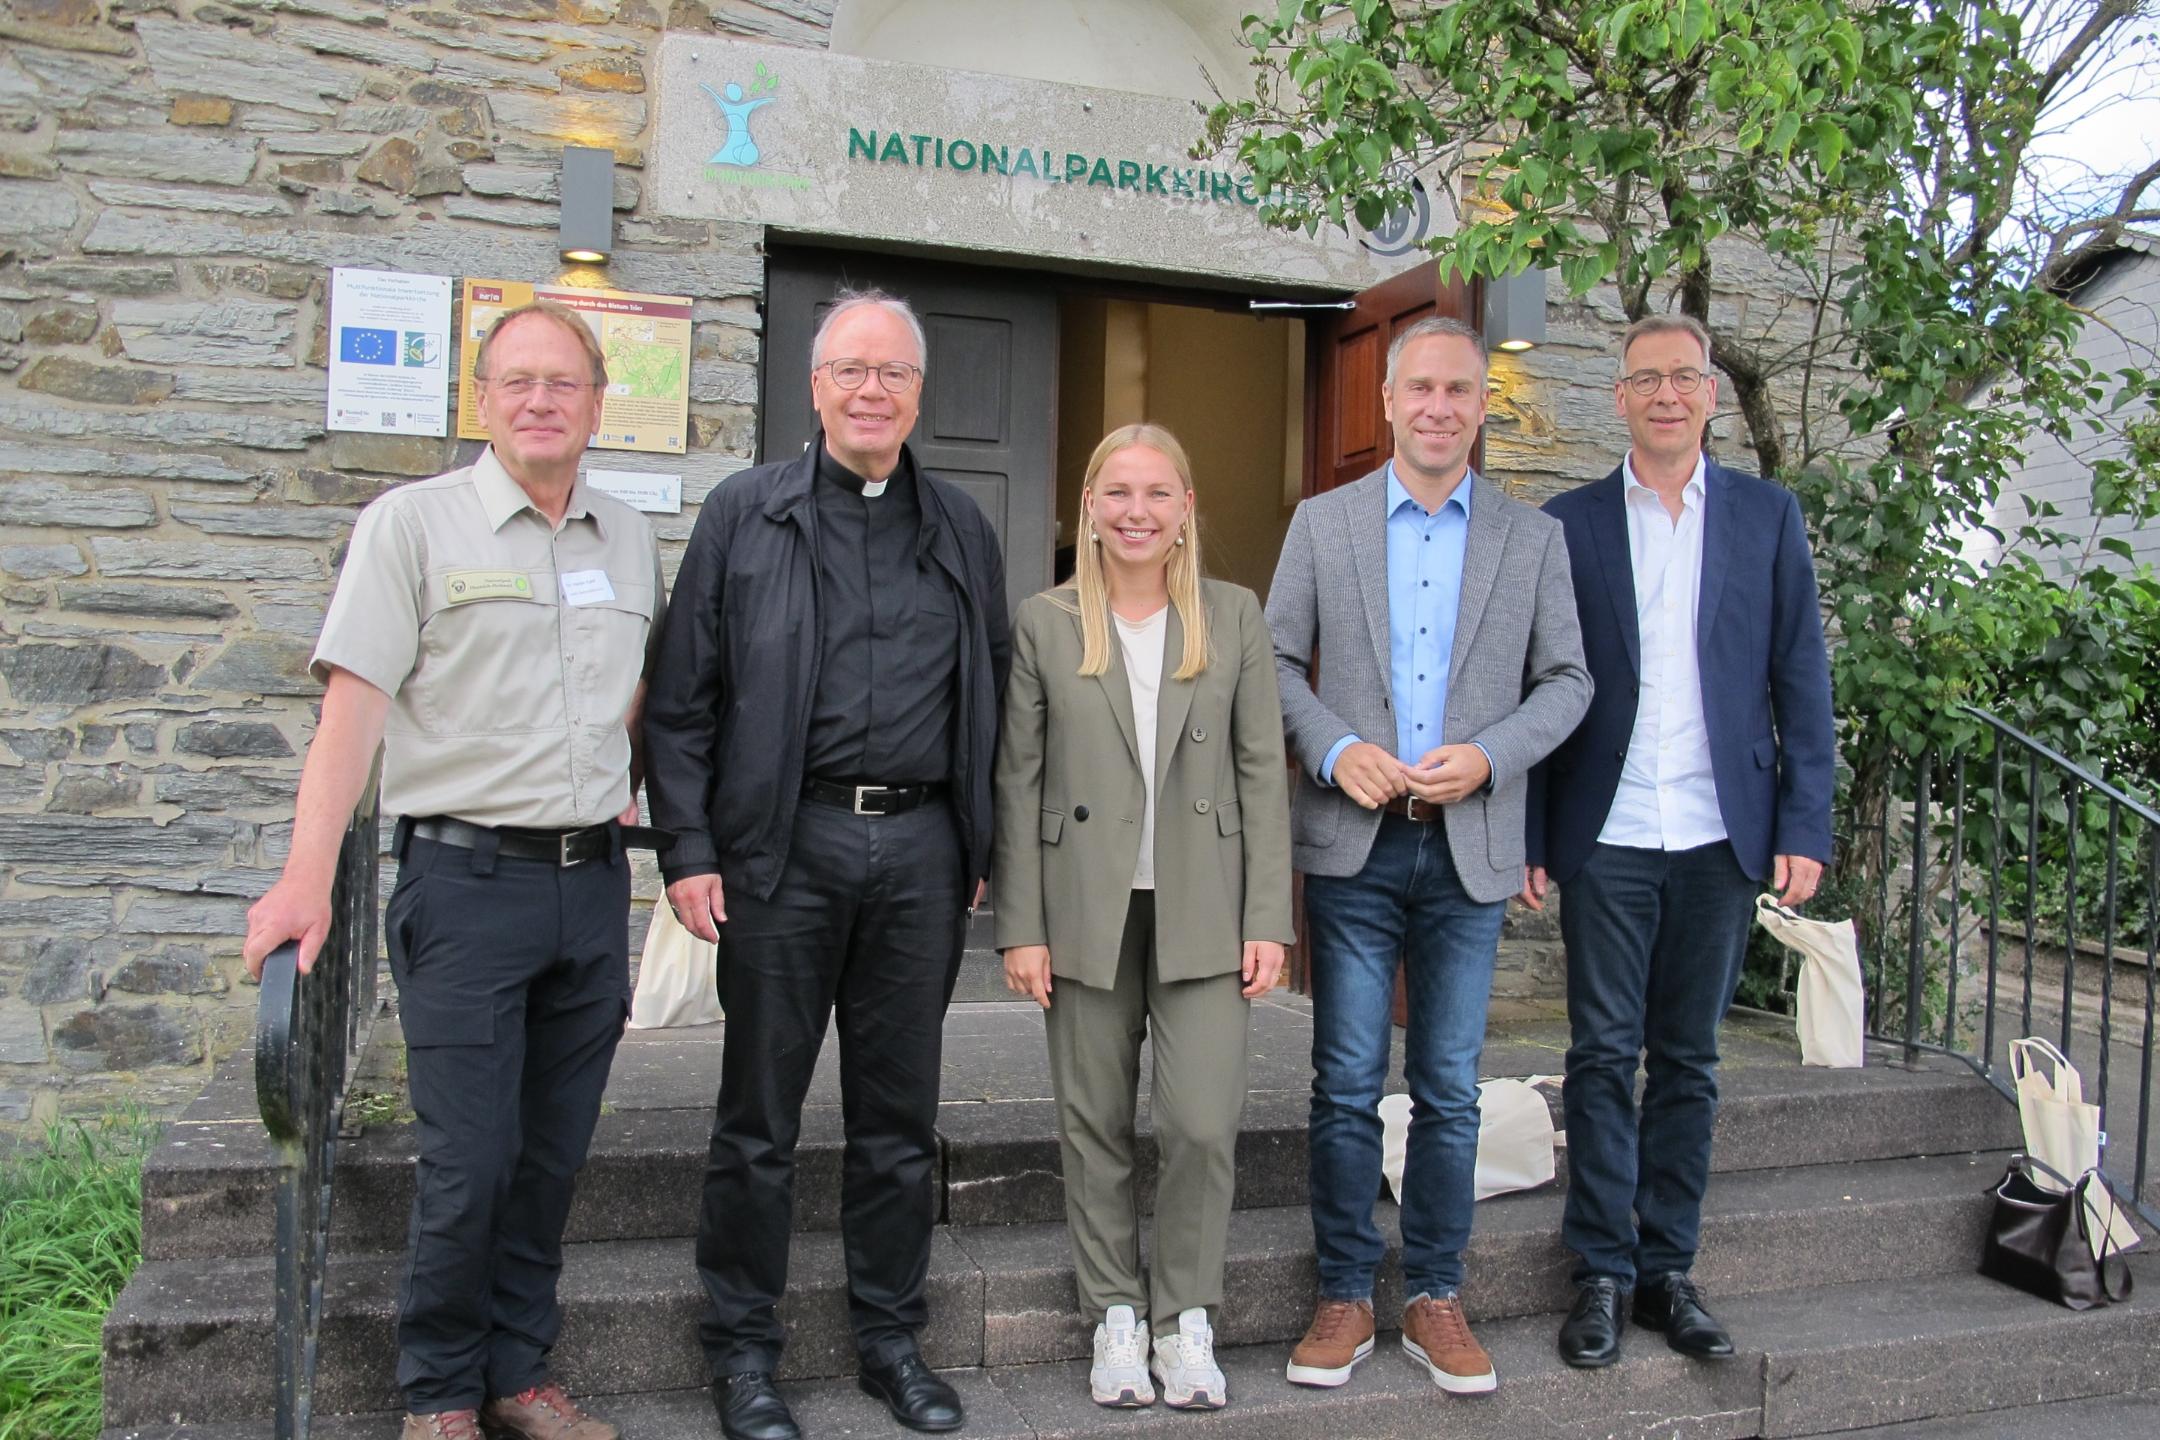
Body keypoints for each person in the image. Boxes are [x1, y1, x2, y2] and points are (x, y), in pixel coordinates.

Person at [241, 301, 664, 1440]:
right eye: (517, 381)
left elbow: (631, 694)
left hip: (590, 887)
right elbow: (353, 714)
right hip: (466, 885)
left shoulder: (628, 537)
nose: (541, 402)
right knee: (470, 1161)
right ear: (482, 399)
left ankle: (519, 1375)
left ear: (595, 403)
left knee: (550, 1156)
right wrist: (302, 880)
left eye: (563, 384)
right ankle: (437, 1393)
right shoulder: (411, 527)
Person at [642, 290, 1011, 1440]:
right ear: (814, 387)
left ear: (917, 391)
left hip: (919, 852)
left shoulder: (960, 527)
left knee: (898, 1120)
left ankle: (890, 1339)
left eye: (893, 372)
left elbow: (994, 691)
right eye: (850, 369)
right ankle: (743, 1352)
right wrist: (688, 851)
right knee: (758, 1118)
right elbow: (681, 701)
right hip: (780, 850)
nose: (870, 390)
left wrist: (982, 842)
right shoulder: (744, 517)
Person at [1266, 315, 1591, 1397]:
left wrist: (1492, 758)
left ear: (1480, 408)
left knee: (1450, 1089)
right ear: (1389, 403)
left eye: (1461, 390)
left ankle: (1437, 1295)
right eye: (1423, 389)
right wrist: (1337, 745)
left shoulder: (1530, 539)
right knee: (1347, 1083)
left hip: (1468, 849)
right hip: (1354, 846)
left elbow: (1568, 683)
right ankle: (1346, 1293)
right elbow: (1268, 663)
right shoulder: (1323, 524)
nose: (1442, 407)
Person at [1526, 314, 1834, 1369]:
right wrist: (1532, 829)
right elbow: (1540, 690)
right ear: (1619, 397)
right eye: (1645, 378)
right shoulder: (1567, 524)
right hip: (1606, 829)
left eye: (1684, 378)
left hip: (1719, 832)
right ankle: (1602, 1272)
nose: (1665, 394)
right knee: (1604, 1058)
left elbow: (1802, 678)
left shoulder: (1765, 517)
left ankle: (1668, 1271)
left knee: (1691, 1062)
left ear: (1711, 395)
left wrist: (1804, 823)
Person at [994, 424, 1294, 1412]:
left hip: (1204, 904)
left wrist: (1269, 916)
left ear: (1185, 510)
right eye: (1117, 492)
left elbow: (1261, 772)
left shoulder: (1232, 616)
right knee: (1094, 1125)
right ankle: (1117, 1318)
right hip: (1084, 905)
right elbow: (1019, 778)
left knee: (1204, 1124)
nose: (1136, 511)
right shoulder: (1046, 622)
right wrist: (1021, 926)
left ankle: (1186, 1320)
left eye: (1157, 493)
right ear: (1089, 507)